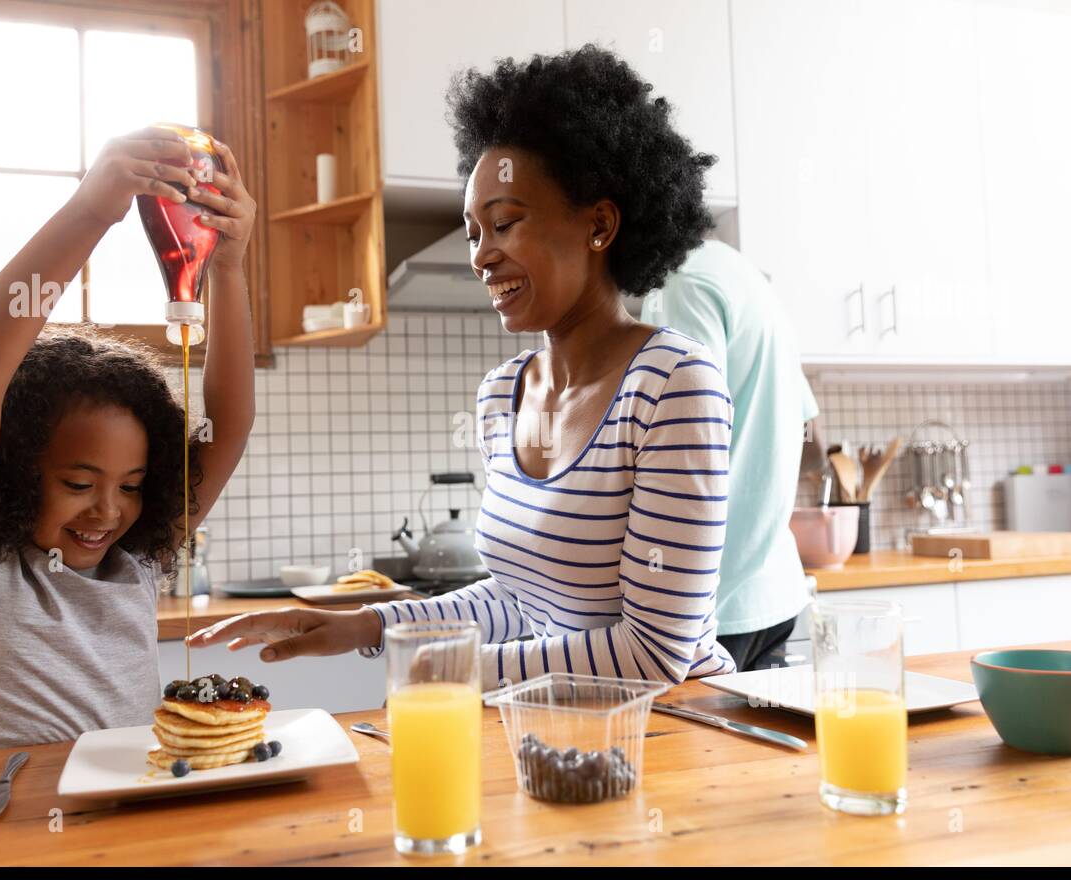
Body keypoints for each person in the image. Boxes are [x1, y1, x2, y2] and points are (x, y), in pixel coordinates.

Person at [191, 46, 737, 688]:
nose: (481, 257)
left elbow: (655, 652)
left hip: (681, 737)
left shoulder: (673, 386)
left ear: (601, 224)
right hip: (559, 729)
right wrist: (366, 626)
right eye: (473, 232)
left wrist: (454, 668)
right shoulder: (503, 394)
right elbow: (515, 601)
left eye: (504, 223)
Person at [0, 127, 257, 751]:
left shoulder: (132, 561)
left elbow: (230, 423)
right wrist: (89, 212)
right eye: (78, 483)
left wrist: (230, 266)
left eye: (131, 486)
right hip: (1, 833)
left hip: (128, 828)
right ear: (13, 469)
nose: (108, 509)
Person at [649, 238, 820, 669]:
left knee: (685, 739)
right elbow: (807, 420)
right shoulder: (743, 275)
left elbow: (688, 444)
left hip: (716, 602)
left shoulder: (683, 284)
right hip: (775, 587)